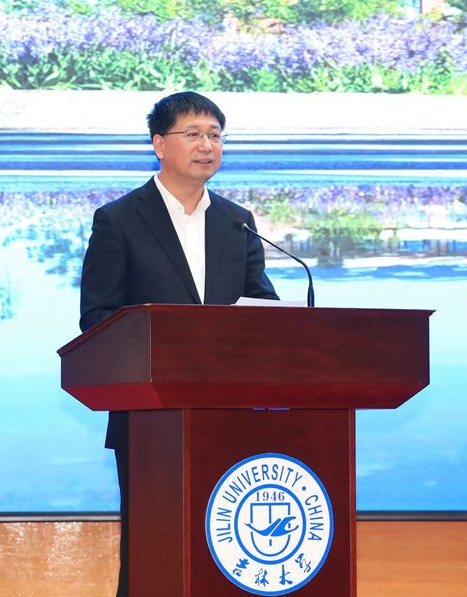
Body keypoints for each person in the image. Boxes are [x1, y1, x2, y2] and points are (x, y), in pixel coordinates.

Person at [78, 91, 279, 597]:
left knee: (227, 548)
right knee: (153, 549)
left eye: (215, 135)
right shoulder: (119, 220)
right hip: (150, 419)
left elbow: (262, 307)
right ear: (159, 144)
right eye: (193, 134)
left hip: (231, 415)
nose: (207, 145)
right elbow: (97, 318)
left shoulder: (237, 221)